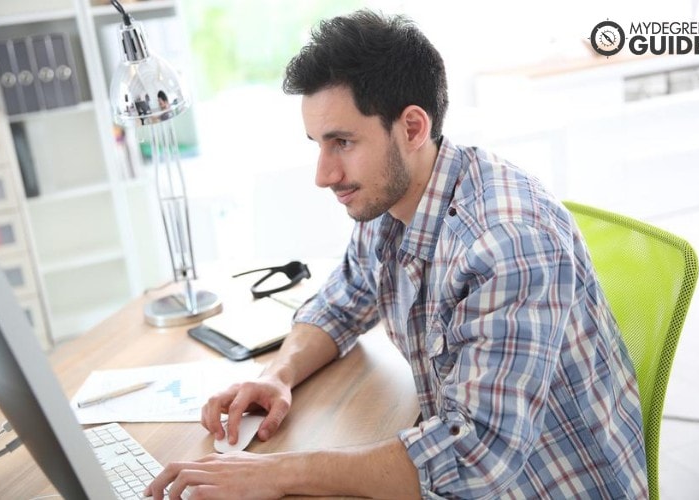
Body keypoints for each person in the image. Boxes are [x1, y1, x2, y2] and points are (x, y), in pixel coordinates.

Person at [146, 9, 648, 499]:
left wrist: (275, 474)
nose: (323, 174)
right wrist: (277, 375)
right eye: (318, 144)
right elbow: (343, 299)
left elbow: (473, 460)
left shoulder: (507, 244)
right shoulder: (394, 201)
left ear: (412, 128)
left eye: (341, 142)